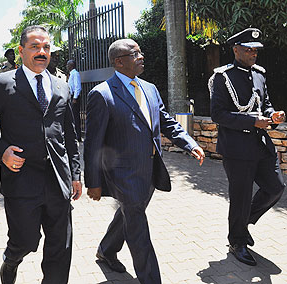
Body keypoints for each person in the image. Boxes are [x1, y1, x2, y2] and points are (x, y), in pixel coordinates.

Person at [84, 38, 205, 284]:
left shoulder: (149, 88)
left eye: (140, 52)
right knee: (138, 227)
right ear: (119, 62)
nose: (141, 57)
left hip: (150, 169)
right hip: (122, 174)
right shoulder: (102, 95)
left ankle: (106, 250)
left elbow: (166, 121)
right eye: (134, 53)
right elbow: (93, 144)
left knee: (130, 214)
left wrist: (189, 143)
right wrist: (93, 182)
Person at [0, 25, 82, 284]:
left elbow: (70, 134)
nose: (41, 52)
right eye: (35, 47)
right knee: (25, 240)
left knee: (60, 246)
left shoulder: (62, 86)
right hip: (21, 178)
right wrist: (2, 152)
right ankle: (11, 259)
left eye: (46, 47)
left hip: (58, 178)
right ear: (21, 50)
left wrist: (76, 174)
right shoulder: (2, 84)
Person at [209, 28, 285, 266]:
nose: (253, 54)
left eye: (256, 50)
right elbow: (217, 115)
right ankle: (237, 241)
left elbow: (266, 104)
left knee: (275, 187)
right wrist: (252, 121)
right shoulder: (222, 77)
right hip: (236, 148)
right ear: (235, 50)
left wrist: (273, 115)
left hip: (261, 145)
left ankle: (243, 223)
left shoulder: (260, 74)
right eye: (248, 49)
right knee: (240, 198)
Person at [66, 60, 82, 141]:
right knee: (72, 117)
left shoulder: (75, 74)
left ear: (71, 65)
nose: (67, 66)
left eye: (68, 64)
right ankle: (75, 135)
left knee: (75, 117)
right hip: (71, 97)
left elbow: (77, 86)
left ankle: (78, 136)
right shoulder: (71, 74)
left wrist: (75, 98)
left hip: (74, 98)